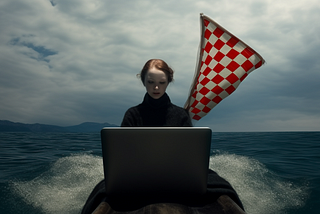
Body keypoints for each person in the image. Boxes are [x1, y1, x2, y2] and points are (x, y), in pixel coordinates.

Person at [121, 59, 192, 127]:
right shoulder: (132, 115)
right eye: (151, 82)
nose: (156, 87)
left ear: (168, 82)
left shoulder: (181, 115)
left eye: (162, 82)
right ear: (143, 82)